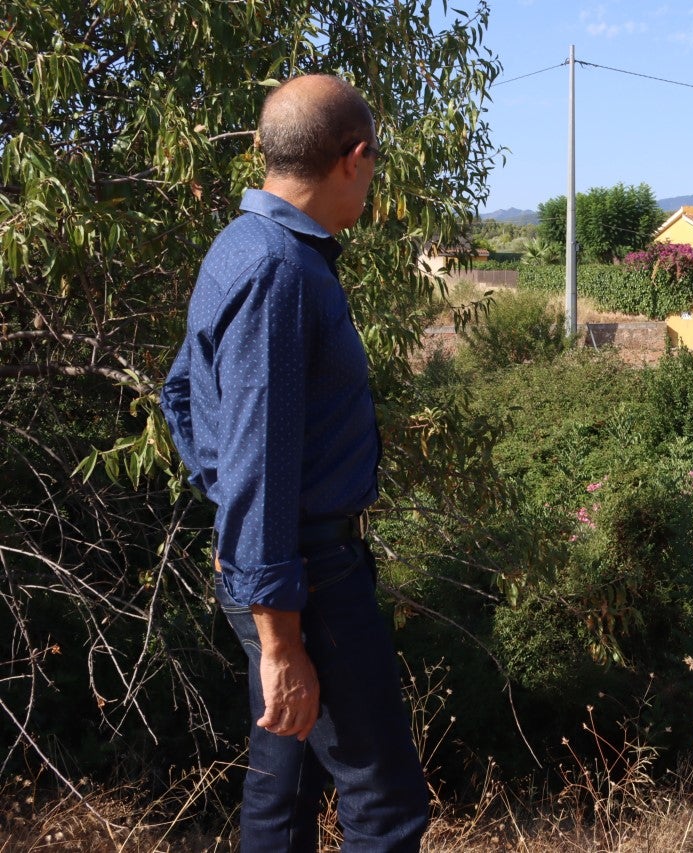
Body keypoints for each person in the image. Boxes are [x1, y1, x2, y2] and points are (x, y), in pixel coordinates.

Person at [160, 75, 429, 852]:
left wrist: (229, 517)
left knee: (283, 796)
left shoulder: (240, 246)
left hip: (274, 568)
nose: (373, 181)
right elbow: (256, 457)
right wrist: (279, 636)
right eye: (374, 164)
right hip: (306, 579)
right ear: (354, 157)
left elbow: (181, 396)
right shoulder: (279, 271)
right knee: (385, 807)